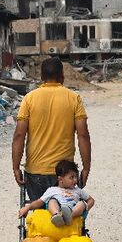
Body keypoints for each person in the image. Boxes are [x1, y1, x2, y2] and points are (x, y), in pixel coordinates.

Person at [12, 57, 91, 202]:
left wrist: (16, 167)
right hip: (64, 173)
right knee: (66, 216)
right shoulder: (73, 98)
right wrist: (86, 168)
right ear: (62, 76)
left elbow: (19, 135)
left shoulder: (29, 99)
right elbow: (83, 135)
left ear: (42, 77)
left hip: (35, 172)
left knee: (40, 216)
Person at [18, 160, 95, 227]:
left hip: (74, 211)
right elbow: (39, 202)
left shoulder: (77, 190)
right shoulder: (53, 190)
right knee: (52, 201)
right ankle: (56, 215)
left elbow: (91, 200)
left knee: (81, 203)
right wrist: (28, 207)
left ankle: (69, 215)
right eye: (71, 177)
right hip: (59, 209)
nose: (75, 180)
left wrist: (86, 208)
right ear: (60, 179)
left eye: (76, 177)